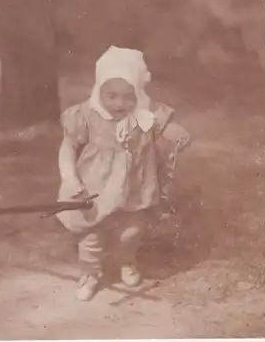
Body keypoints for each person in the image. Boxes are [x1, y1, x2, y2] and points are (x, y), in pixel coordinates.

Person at [57, 45, 191, 301]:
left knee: (131, 232)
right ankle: (90, 273)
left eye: (128, 96)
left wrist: (176, 133)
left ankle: (126, 261)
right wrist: (70, 178)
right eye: (112, 95)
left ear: (138, 92)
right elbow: (68, 147)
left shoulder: (146, 113)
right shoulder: (87, 114)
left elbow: (165, 129)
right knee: (91, 236)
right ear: (99, 90)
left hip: (135, 186)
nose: (120, 103)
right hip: (96, 187)